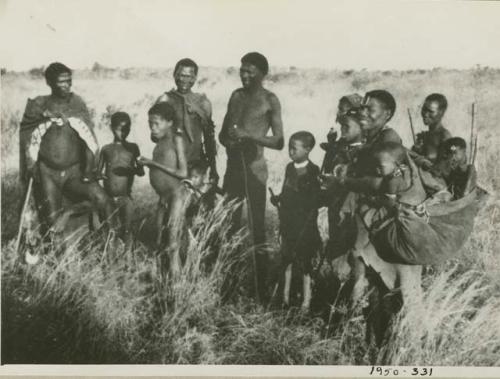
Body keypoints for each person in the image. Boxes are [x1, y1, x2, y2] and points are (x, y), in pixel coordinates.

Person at [19, 62, 113, 240]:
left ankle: (109, 242)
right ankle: (57, 256)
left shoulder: (76, 103)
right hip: (48, 174)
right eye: (61, 82)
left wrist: (88, 169)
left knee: (101, 199)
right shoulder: (39, 106)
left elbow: (88, 138)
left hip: (74, 172)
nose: (66, 85)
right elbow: (27, 135)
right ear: (50, 83)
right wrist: (30, 166)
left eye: (69, 81)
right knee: (53, 225)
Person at [219, 52, 284, 302]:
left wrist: (249, 136)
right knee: (228, 225)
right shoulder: (235, 96)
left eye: (250, 72)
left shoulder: (270, 100)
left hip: (255, 170)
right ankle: (229, 282)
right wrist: (228, 140)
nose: (244, 75)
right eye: (242, 70)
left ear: (262, 74)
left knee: (257, 228)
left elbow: (279, 141)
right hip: (233, 169)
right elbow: (224, 133)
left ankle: (261, 288)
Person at [270, 131, 321, 311]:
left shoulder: (314, 171)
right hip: (289, 222)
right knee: (287, 260)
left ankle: (306, 302)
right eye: (289, 148)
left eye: (295, 148)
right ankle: (284, 298)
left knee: (306, 262)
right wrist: (278, 198)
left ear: (307, 149)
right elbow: (286, 191)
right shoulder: (289, 168)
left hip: (305, 224)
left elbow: (315, 200)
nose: (291, 151)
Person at [138, 103, 188, 276]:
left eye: (157, 123)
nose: (152, 127)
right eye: (150, 123)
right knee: (159, 241)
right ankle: (161, 280)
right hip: (163, 198)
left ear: (170, 122)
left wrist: (152, 164)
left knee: (173, 244)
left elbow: (183, 172)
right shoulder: (160, 142)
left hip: (176, 196)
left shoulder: (176, 139)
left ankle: (178, 287)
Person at [155, 58, 218, 187]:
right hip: (172, 164)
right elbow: (155, 135)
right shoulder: (165, 99)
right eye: (181, 75)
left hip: (196, 163)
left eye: (189, 76)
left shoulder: (203, 103)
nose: (184, 80)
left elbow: (209, 139)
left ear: (194, 78)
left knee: (195, 202)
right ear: (174, 75)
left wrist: (213, 169)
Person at [97, 112, 144, 245]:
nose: (124, 132)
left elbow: (141, 172)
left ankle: (129, 262)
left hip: (125, 197)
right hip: (108, 198)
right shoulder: (106, 149)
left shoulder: (133, 148)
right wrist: (100, 175)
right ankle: (110, 262)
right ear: (112, 128)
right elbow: (98, 173)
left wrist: (132, 170)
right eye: (120, 129)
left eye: (127, 129)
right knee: (110, 231)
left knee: (127, 230)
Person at [412, 93, 452, 167]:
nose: (426, 114)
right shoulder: (423, 136)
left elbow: (445, 168)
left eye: (431, 111)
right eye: (424, 109)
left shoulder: (445, 137)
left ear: (441, 113)